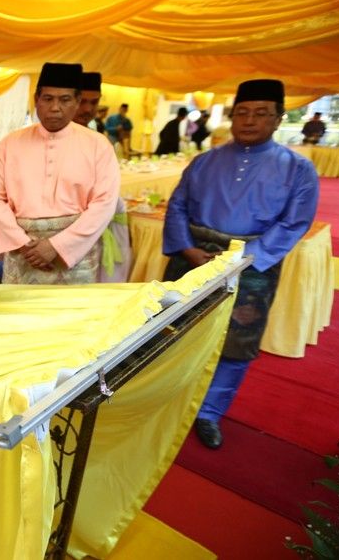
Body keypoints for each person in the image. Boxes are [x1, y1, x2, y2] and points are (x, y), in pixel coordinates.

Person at [163, 79, 318, 450]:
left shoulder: (297, 169)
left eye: (262, 113)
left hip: (252, 266)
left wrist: (246, 259)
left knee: (237, 342)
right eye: (243, 112)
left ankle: (210, 413)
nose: (250, 121)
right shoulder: (204, 161)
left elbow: (295, 222)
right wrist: (186, 248)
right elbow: (178, 206)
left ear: (279, 119)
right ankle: (165, 401)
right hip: (194, 259)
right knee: (171, 332)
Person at [0, 62, 119, 284]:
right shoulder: (10, 144)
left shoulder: (98, 145)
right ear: (36, 99)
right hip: (23, 251)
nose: (55, 107)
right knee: (19, 315)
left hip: (75, 254)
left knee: (71, 316)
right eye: (48, 99)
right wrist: (21, 243)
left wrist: (58, 246)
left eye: (65, 99)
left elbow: (104, 203)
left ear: (76, 102)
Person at [73, 72, 132, 283]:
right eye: (82, 102)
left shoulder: (100, 142)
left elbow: (106, 196)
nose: (88, 109)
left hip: (92, 231)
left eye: (94, 102)